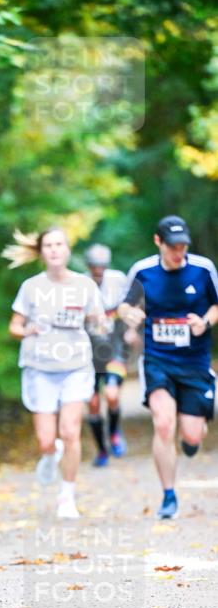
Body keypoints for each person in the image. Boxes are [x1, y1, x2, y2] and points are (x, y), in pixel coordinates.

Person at [118, 215, 217, 519]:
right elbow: (125, 304)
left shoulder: (202, 269)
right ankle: (169, 496)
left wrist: (205, 321)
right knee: (163, 423)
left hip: (195, 361)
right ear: (158, 242)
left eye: (183, 246)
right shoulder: (143, 271)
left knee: (192, 436)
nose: (179, 252)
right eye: (173, 246)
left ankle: (193, 435)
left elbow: (216, 305)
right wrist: (129, 315)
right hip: (158, 358)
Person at [5, 227, 105, 519]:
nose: (54, 249)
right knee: (47, 440)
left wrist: (103, 325)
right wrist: (26, 330)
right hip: (40, 369)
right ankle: (50, 454)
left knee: (70, 431)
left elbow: (100, 322)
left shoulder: (85, 286)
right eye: (48, 245)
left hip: (75, 366)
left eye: (59, 244)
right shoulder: (31, 287)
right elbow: (14, 326)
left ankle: (67, 496)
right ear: (41, 252)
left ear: (68, 249)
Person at [84, 243, 129, 466]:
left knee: (111, 395)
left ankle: (114, 434)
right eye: (94, 267)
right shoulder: (79, 284)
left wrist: (131, 329)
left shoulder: (119, 280)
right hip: (88, 353)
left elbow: (132, 306)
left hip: (115, 348)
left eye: (101, 267)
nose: (98, 271)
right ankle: (101, 450)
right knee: (92, 404)